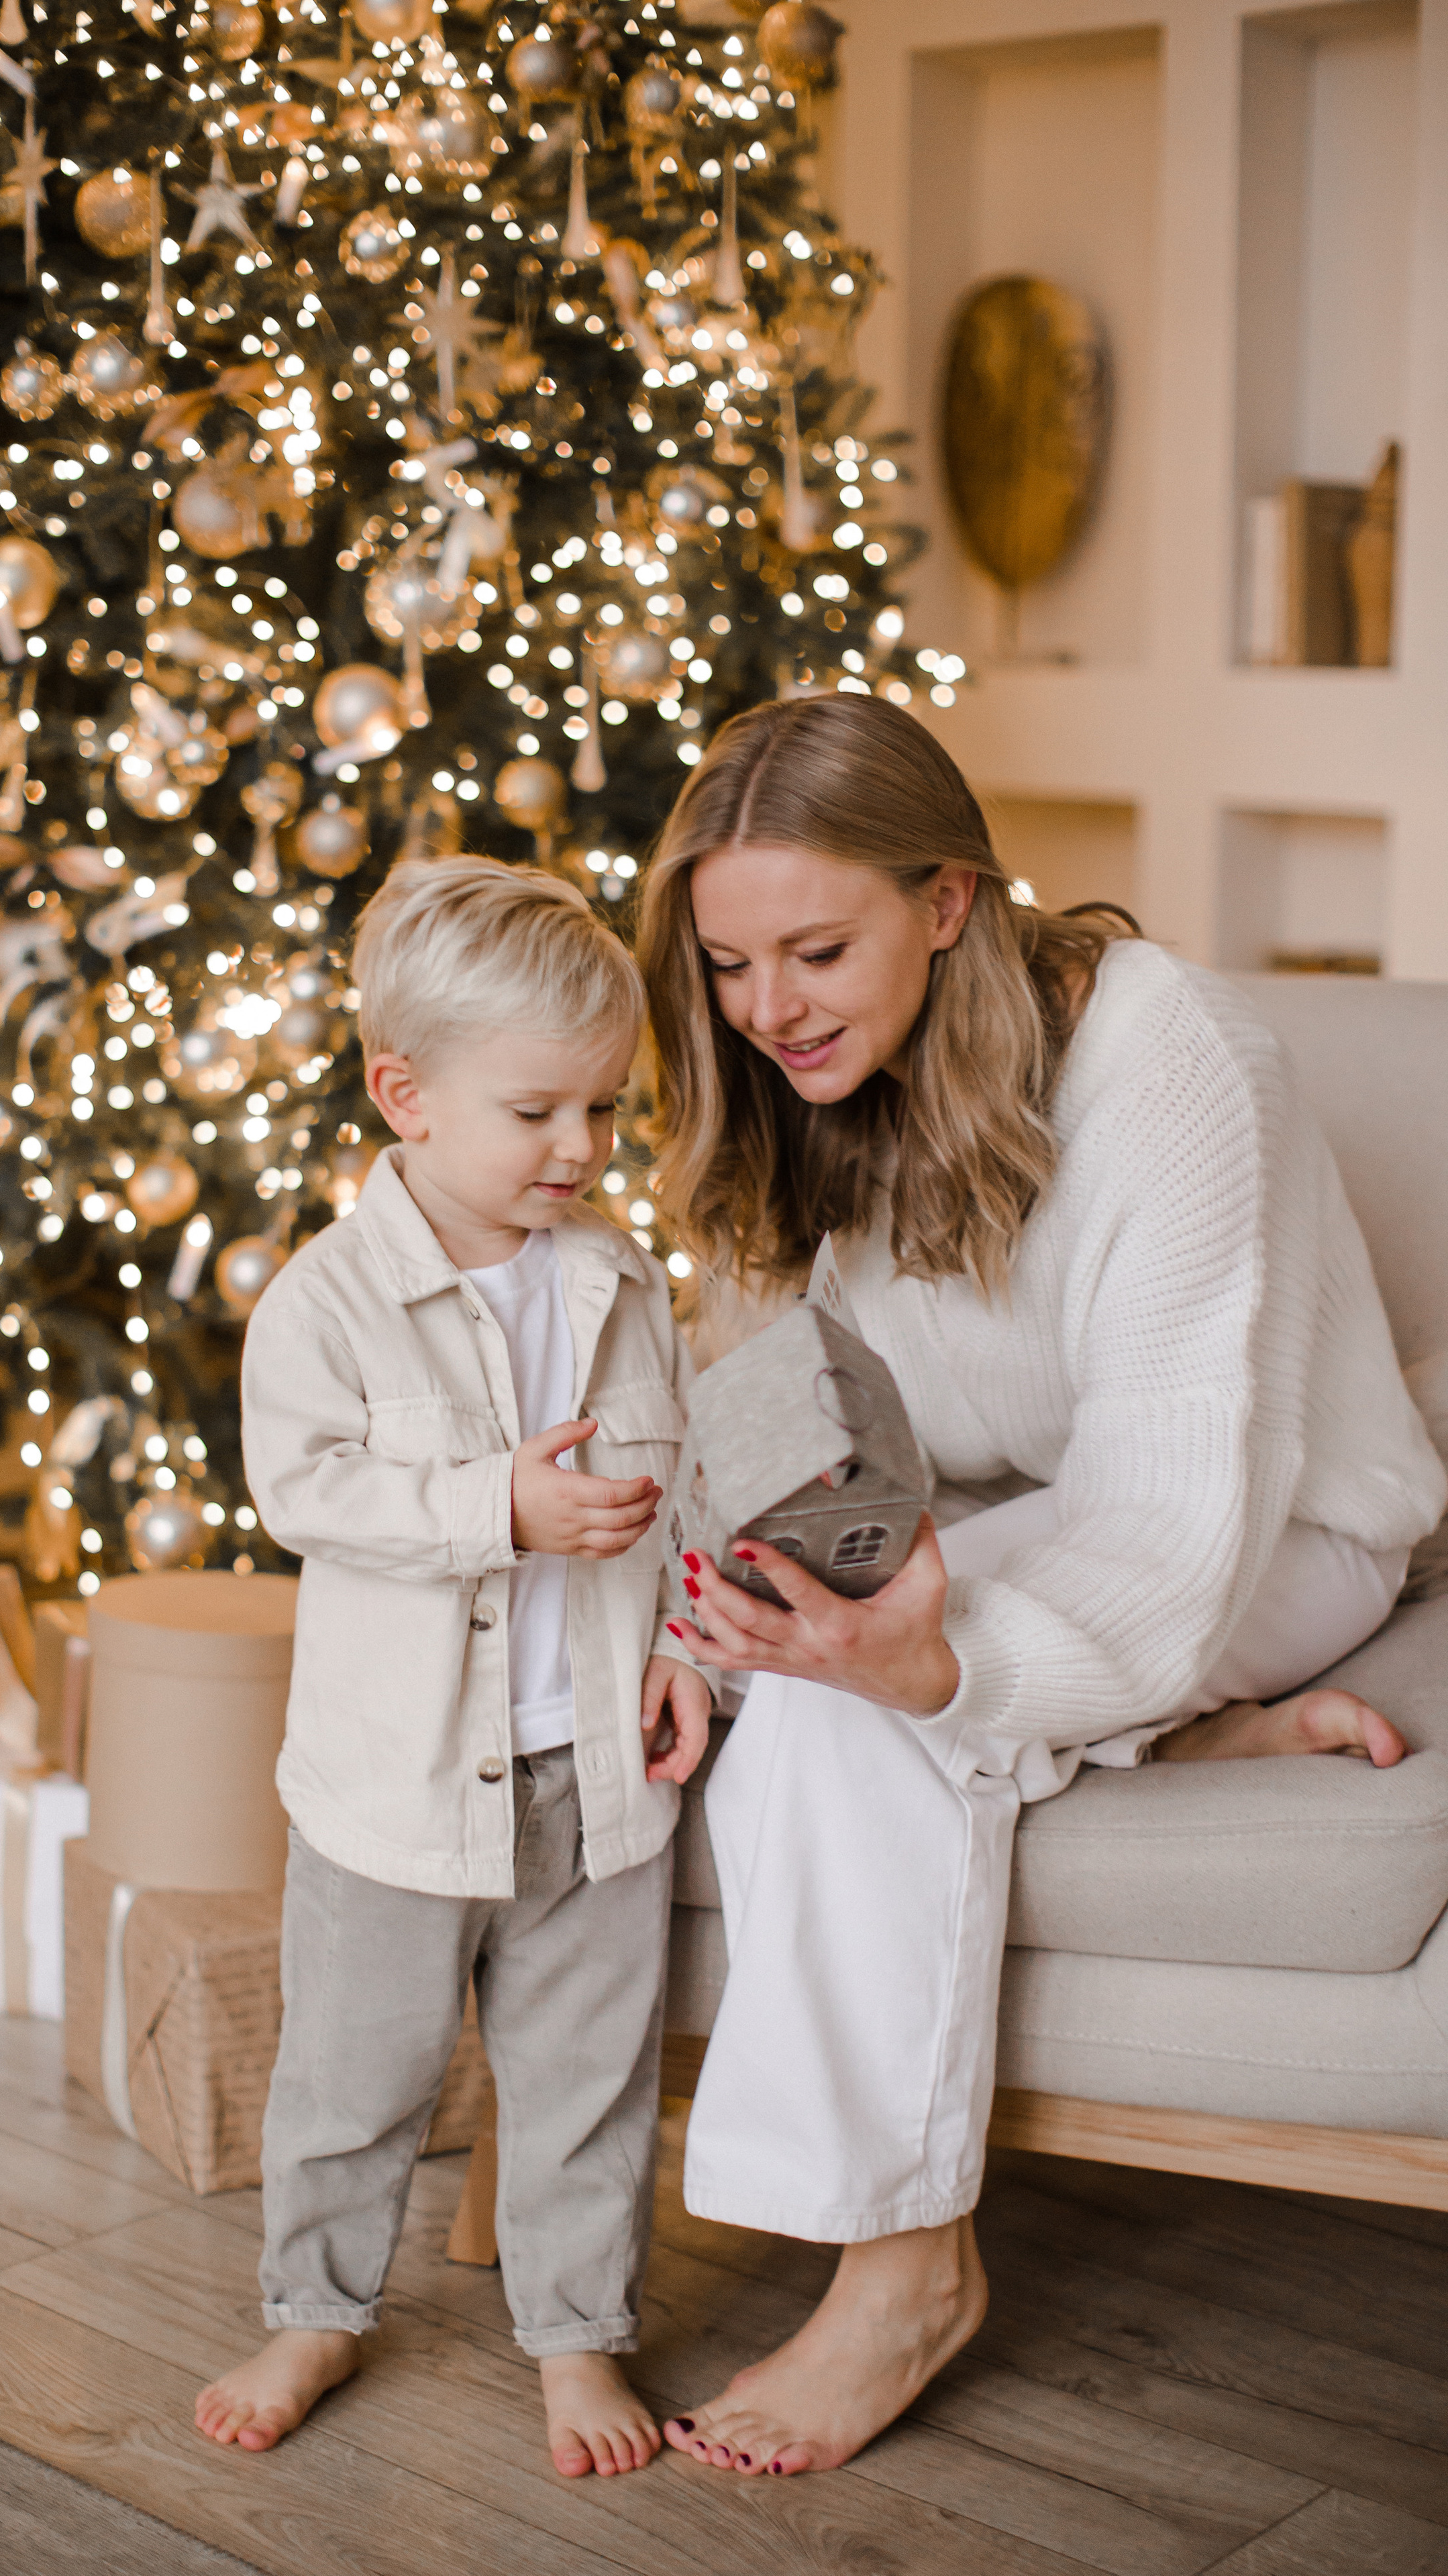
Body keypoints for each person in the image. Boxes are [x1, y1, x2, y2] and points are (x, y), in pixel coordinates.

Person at [637, 695, 1446, 2479]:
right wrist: (702, 1622)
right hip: (1022, 1509)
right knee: (782, 1677)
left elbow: (1169, 1528)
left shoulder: (1174, 1065)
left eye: (816, 951)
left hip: (1280, 1525)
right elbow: (768, 1416)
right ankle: (1173, 1743)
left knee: (853, 1725)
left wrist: (937, 1677)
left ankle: (905, 2272)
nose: (768, 1009)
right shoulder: (817, 1078)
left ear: (947, 902)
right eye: (729, 965)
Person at [197, 857, 713, 2477]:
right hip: (400, 1788)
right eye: (536, 1112)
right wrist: (495, 1506)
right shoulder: (328, 1304)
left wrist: (685, 1645)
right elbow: (307, 1493)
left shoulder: (621, 1285)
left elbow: (684, 1491)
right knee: (353, 2076)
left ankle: (577, 2336)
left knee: (584, 2084)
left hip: (595, 1779)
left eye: (603, 1111)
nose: (580, 1148)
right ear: (403, 1096)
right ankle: (316, 2308)